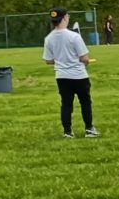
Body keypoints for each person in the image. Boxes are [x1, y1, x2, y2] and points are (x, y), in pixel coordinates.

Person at [42, 7, 100, 139]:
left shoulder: (49, 38)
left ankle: (67, 131)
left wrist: (61, 60)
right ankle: (89, 129)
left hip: (62, 76)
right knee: (85, 102)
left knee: (66, 103)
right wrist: (86, 62)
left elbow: (49, 60)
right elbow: (84, 58)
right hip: (79, 75)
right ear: (64, 18)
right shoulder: (74, 36)